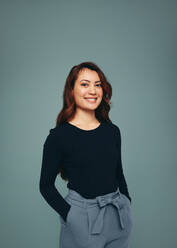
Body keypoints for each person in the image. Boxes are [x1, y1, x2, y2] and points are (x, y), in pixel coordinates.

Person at [39, 61, 133, 248]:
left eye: (97, 85)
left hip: (118, 215)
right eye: (84, 84)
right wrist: (70, 215)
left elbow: (118, 172)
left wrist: (126, 202)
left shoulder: (112, 131)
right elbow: (45, 185)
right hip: (82, 218)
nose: (93, 90)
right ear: (71, 90)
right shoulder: (59, 137)